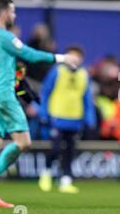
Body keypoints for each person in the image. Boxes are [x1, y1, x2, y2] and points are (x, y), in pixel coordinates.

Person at [0, 0, 78, 207]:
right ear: (4, 12)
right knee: (24, 142)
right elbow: (29, 54)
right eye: (13, 11)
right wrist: (61, 58)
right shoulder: (5, 36)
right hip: (4, 95)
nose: (14, 15)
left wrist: (8, 69)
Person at [38, 45, 96, 194]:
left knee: (70, 151)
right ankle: (46, 173)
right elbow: (45, 92)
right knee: (56, 148)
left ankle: (66, 180)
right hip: (57, 116)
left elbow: (87, 99)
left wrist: (90, 119)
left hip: (75, 118)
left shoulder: (84, 74)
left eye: (77, 57)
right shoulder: (57, 71)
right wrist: (43, 114)